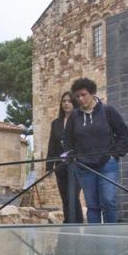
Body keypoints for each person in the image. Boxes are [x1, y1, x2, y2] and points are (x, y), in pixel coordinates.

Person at [62, 78, 128, 224]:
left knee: (108, 201)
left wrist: (116, 154)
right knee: (92, 206)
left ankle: (111, 241)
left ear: (92, 93)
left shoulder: (107, 111)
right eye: (77, 96)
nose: (80, 99)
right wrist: (73, 156)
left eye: (83, 94)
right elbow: (67, 140)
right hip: (85, 167)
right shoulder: (74, 117)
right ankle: (96, 243)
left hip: (107, 164)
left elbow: (123, 132)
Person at [45, 91, 83, 223]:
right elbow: (52, 145)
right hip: (60, 166)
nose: (66, 104)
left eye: (69, 101)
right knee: (65, 197)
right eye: (64, 101)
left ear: (74, 103)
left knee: (73, 195)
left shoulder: (80, 120)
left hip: (76, 165)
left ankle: (76, 222)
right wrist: (49, 166)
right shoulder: (56, 123)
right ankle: (67, 222)